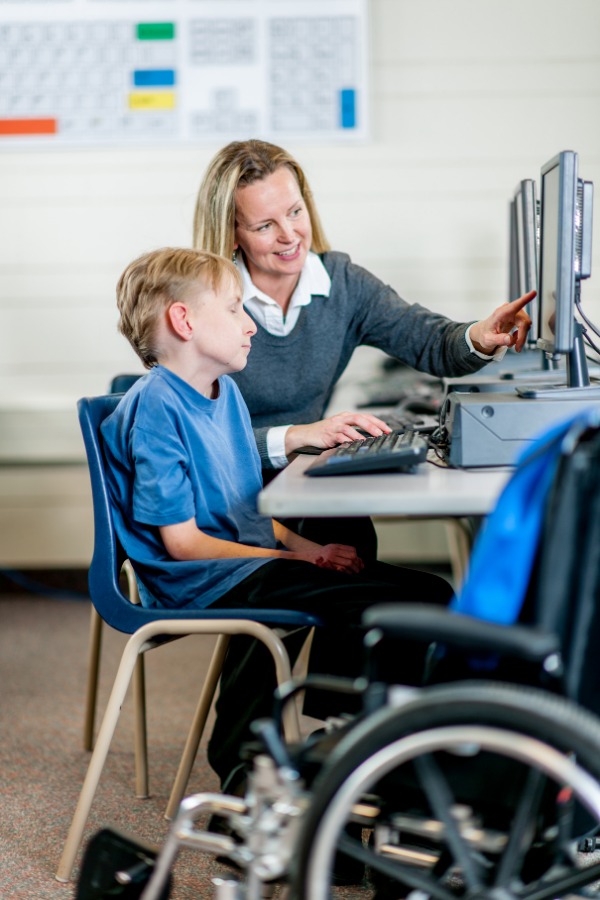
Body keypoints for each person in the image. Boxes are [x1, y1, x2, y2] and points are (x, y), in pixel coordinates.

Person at [100, 247, 455, 794]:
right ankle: (353, 768)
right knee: (411, 603)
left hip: (238, 564)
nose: (250, 327)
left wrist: (308, 551)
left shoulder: (225, 394)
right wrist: (292, 557)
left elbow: (250, 513)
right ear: (183, 320)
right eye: (236, 309)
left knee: (422, 590)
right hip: (198, 578)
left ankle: (348, 749)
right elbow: (184, 545)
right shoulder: (157, 409)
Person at [193, 139, 535, 557]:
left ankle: (343, 619)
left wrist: (480, 335)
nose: (289, 235)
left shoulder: (340, 282)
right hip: (224, 496)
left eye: (295, 212)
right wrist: (299, 436)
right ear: (231, 233)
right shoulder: (206, 302)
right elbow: (197, 440)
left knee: (347, 525)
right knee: (343, 532)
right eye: (265, 226)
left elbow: (429, 341)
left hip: (294, 484)